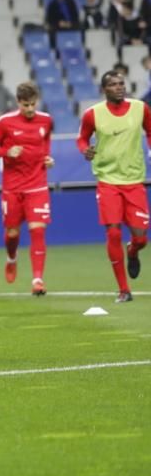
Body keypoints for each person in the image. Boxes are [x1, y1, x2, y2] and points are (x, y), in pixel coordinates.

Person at [76, 71, 151, 304]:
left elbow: (150, 131)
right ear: (104, 89)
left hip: (134, 181)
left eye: (121, 83)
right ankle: (123, 289)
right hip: (107, 181)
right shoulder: (92, 115)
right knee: (113, 232)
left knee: (141, 238)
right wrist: (85, 150)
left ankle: (133, 250)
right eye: (113, 84)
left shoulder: (141, 108)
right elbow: (82, 138)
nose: (119, 87)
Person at [0, 82, 54, 296]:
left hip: (37, 185)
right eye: (26, 105)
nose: (30, 109)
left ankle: (37, 279)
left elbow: (45, 143)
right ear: (18, 103)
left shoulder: (46, 120)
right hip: (12, 188)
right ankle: (11, 258)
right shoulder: (5, 122)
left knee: (38, 230)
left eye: (33, 104)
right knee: (13, 233)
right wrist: (6, 151)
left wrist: (47, 159)